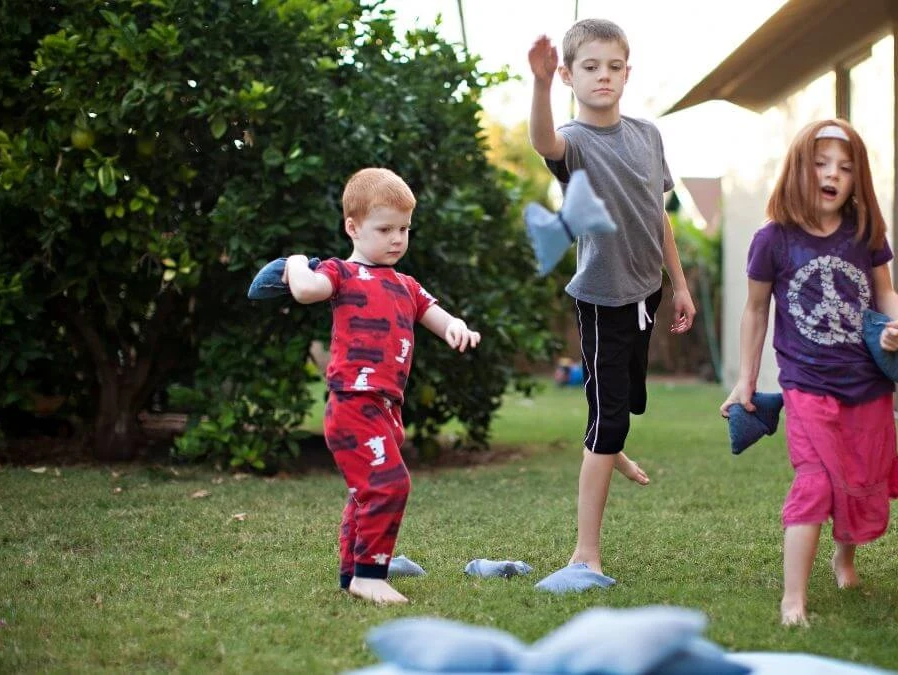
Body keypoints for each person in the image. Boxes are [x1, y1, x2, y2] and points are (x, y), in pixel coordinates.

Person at [720, 119, 898, 626]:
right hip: (806, 385)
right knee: (815, 481)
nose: (833, 175)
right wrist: (746, 379)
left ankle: (844, 556)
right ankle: (793, 601)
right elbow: (756, 310)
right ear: (798, 171)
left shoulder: (865, 233)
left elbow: (884, 290)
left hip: (868, 383)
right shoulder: (773, 240)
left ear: (857, 180)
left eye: (845, 168)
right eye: (821, 163)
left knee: (859, 478)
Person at [527, 18, 696, 580]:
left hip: (647, 290)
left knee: (626, 402)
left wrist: (679, 284)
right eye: (590, 67)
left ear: (628, 73)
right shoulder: (573, 142)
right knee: (609, 419)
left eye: (613, 66)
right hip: (602, 297)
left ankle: (609, 433)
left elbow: (659, 218)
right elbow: (543, 141)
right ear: (572, 76)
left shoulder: (648, 136)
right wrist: (541, 84)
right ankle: (585, 552)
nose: (603, 76)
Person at [282, 167, 481, 604]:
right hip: (353, 402)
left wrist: (456, 328)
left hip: (387, 406)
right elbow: (305, 290)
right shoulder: (340, 274)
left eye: (405, 229)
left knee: (365, 491)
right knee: (389, 484)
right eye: (385, 228)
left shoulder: (405, 284)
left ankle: (352, 572)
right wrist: (297, 263)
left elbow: (437, 314)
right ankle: (370, 575)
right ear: (353, 228)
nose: (397, 239)